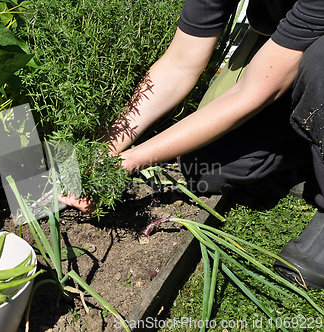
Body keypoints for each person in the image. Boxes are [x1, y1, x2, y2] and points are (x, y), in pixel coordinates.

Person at [58, 0, 324, 289]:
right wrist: (107, 149)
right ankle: (314, 144)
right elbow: (179, 64)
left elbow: (253, 92)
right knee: (206, 167)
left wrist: (128, 163)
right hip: (291, 48)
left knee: (319, 63)